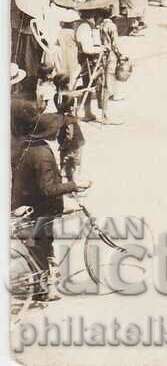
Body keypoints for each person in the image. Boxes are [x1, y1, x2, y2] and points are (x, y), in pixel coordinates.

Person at [12, 114, 91, 301]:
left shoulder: (30, 145)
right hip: (41, 208)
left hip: (28, 201)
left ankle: (45, 283)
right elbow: (48, 189)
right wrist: (75, 185)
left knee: (43, 246)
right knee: (42, 246)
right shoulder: (43, 155)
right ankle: (42, 290)